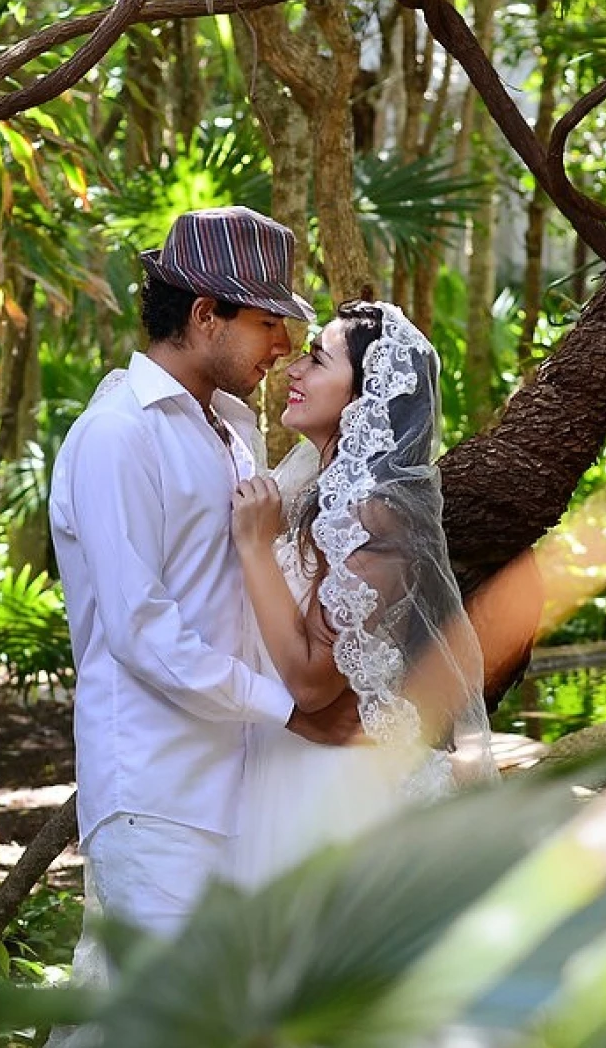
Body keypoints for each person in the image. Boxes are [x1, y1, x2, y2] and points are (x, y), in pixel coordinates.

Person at [47, 207, 361, 1007]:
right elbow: (140, 628)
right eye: (267, 322)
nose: (284, 346)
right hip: (157, 790)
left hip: (238, 784)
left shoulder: (230, 431)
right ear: (203, 315)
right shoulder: (117, 436)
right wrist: (290, 712)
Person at [228, 299, 496, 887]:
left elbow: (311, 681)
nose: (294, 369)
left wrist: (254, 548)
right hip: (289, 769)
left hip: (339, 793)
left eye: (318, 360)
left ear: (362, 402)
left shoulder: (377, 516)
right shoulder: (305, 485)